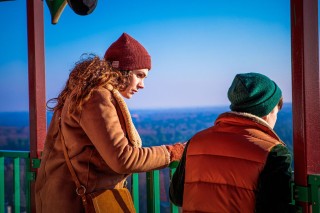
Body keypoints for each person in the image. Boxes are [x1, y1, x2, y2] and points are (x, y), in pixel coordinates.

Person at [35, 32, 185, 213]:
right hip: (80, 204)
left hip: (64, 200)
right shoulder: (97, 96)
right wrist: (173, 152)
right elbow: (124, 159)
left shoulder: (86, 92)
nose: (142, 84)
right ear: (124, 71)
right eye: (139, 75)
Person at [169, 72, 293, 213]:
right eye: (276, 112)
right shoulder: (273, 151)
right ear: (267, 111)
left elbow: (177, 196)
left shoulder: (196, 141)